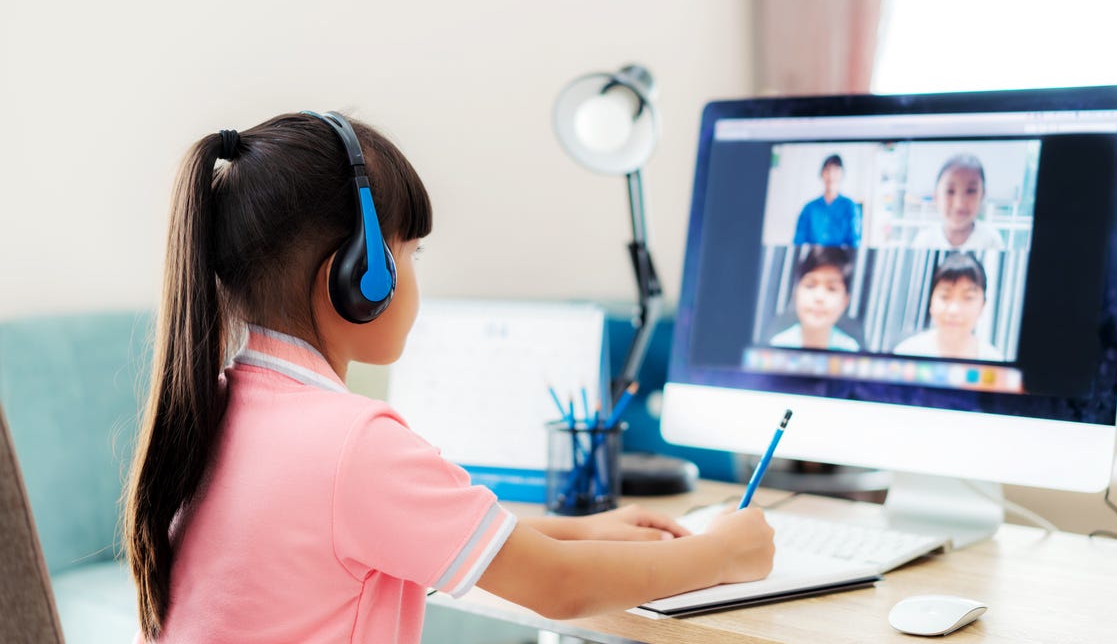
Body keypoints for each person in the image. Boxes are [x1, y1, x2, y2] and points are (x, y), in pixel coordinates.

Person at [122, 113, 774, 643]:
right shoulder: (351, 445)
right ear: (359, 279)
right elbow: (559, 587)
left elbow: (443, 540)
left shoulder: (221, 406)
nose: (415, 274)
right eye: (412, 253)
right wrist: (725, 552)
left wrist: (582, 528)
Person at [893, 252, 1004, 361]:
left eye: (968, 297)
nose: (953, 310)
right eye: (945, 296)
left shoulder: (994, 359)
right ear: (931, 301)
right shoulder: (905, 353)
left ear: (982, 306)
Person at [770, 245, 860, 351]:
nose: (819, 297)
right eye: (810, 285)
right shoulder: (777, 346)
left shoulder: (851, 350)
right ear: (795, 293)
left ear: (845, 302)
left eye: (831, 288)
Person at [911, 153, 1004, 250]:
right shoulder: (925, 240)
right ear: (936, 196)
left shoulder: (991, 240)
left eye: (971, 191)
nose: (959, 204)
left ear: (982, 195)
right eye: (950, 191)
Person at [792, 154, 861, 248]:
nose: (831, 175)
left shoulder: (850, 207)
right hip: (814, 260)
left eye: (835, 170)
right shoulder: (809, 208)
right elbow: (798, 241)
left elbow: (854, 243)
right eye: (827, 170)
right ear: (822, 174)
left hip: (839, 261)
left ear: (842, 174)